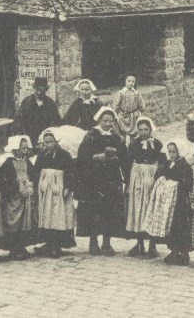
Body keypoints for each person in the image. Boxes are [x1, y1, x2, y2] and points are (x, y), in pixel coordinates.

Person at [76, 106, 130, 255]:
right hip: (94, 179)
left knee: (110, 210)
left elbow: (124, 156)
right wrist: (95, 157)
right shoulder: (91, 135)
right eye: (105, 121)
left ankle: (107, 243)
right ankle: (93, 243)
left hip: (112, 179)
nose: (108, 124)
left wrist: (117, 158)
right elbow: (82, 156)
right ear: (99, 120)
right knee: (94, 210)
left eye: (111, 121)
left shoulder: (115, 136)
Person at [143, 142, 193, 265]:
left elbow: (187, 184)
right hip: (166, 201)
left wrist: (173, 184)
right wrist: (163, 181)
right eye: (169, 152)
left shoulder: (185, 167)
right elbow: (158, 175)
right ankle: (174, 251)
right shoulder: (166, 164)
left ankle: (184, 252)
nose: (171, 154)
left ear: (180, 151)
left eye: (174, 152)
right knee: (169, 226)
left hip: (179, 202)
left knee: (179, 225)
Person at [32, 128, 76, 257]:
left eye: (51, 141)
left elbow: (71, 173)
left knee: (59, 215)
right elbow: (36, 171)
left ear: (57, 141)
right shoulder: (41, 155)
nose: (48, 144)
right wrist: (37, 186)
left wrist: (68, 187)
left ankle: (56, 245)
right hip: (45, 190)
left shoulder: (65, 155)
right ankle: (49, 243)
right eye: (45, 142)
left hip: (59, 189)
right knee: (47, 216)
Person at [123, 117, 162, 258]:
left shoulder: (157, 144)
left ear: (151, 130)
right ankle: (139, 243)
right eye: (141, 130)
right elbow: (128, 164)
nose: (144, 132)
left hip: (152, 174)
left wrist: (159, 179)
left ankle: (152, 245)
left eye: (146, 129)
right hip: (137, 176)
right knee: (138, 208)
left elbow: (162, 162)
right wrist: (127, 183)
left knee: (150, 207)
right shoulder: (134, 144)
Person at [0, 135, 37, 260]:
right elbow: (4, 181)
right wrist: (17, 186)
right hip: (14, 197)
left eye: (26, 143)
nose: (25, 146)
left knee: (24, 221)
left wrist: (31, 183)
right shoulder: (8, 163)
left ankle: (21, 246)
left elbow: (33, 175)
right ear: (15, 147)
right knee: (13, 221)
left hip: (26, 197)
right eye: (22, 144)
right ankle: (13, 247)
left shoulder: (27, 161)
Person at [16, 77, 61, 142]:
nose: (39, 92)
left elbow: (57, 122)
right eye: (37, 89)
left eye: (42, 90)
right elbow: (19, 122)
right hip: (29, 140)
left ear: (46, 89)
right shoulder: (26, 102)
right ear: (34, 88)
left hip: (45, 141)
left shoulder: (50, 103)